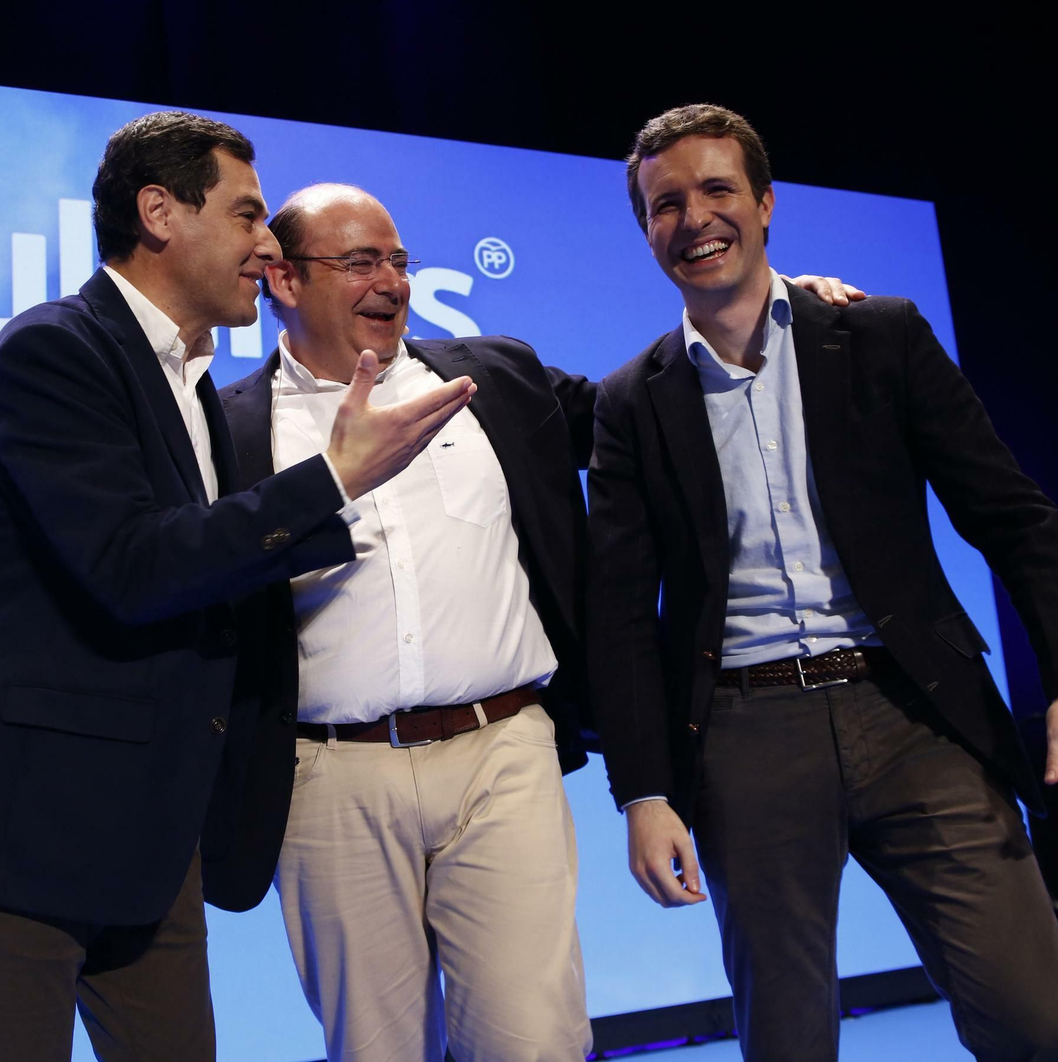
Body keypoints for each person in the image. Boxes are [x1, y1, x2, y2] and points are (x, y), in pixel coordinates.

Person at [203, 182, 863, 1061]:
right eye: (360, 262)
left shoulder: (496, 377)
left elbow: (648, 410)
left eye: (398, 260)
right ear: (285, 281)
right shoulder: (228, 430)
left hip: (502, 753)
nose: (392, 282)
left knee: (534, 1041)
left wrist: (756, 318)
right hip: (330, 777)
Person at [0, 114, 473, 1062]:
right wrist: (332, 477)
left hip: (149, 841)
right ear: (159, 213)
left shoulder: (189, 383)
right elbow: (131, 566)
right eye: (246, 216)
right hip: (17, 832)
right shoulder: (54, 351)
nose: (268, 246)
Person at [586, 103, 1058, 1062]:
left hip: (916, 714)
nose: (694, 217)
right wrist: (644, 794)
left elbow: (1014, 517)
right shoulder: (633, 400)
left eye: (717, 189)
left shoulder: (878, 334)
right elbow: (623, 617)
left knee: (1037, 1024)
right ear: (645, 229)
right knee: (788, 1044)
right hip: (745, 734)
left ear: (765, 204)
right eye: (666, 204)